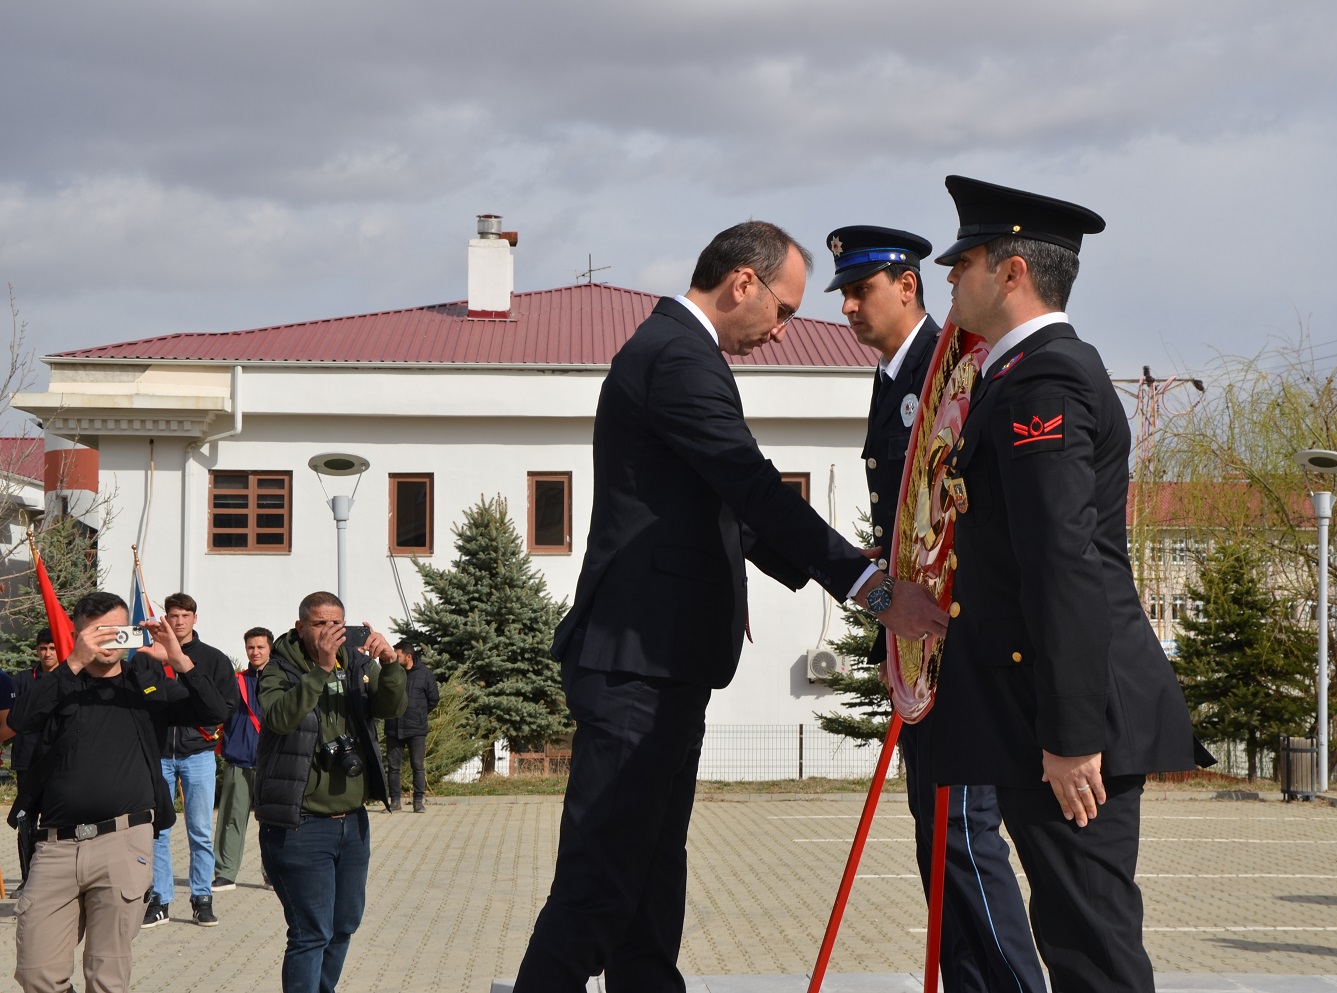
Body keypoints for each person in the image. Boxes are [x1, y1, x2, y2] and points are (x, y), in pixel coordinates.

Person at [513, 219, 950, 993]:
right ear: (741, 282)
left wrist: (859, 567)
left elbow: (732, 510)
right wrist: (871, 589)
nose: (783, 331)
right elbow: (748, 483)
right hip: (634, 666)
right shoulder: (678, 357)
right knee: (599, 883)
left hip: (661, 663)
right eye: (783, 310)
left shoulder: (678, 354)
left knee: (651, 883)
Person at [931, 176, 1208, 993]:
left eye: (965, 261)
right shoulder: (1018, 375)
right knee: (1073, 931)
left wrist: (1071, 733)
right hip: (1042, 704)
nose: (950, 277)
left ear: (1011, 271)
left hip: (1065, 718)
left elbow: (1062, 562)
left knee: (1092, 948)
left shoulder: (1042, 382)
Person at [826, 224, 1045, 993]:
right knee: (936, 841)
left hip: (958, 645)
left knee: (962, 834)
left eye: (862, 290)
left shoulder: (952, 366)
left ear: (908, 285)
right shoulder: (893, 377)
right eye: (844, 294)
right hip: (916, 648)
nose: (849, 307)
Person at [9, 591, 227, 993]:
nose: (108, 641)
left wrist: (179, 660)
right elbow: (20, 719)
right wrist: (72, 662)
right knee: (36, 971)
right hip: (56, 846)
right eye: (97, 631)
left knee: (107, 978)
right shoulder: (61, 684)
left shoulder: (147, 685)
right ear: (78, 633)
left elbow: (215, 711)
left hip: (124, 842)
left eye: (117, 630)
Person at [256, 591, 406, 993]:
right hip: (300, 826)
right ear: (300, 626)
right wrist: (321, 669)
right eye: (319, 624)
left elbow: (390, 709)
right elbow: (280, 718)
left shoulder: (357, 662)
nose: (329, 631)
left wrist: (390, 665)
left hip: (352, 824)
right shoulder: (278, 668)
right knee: (311, 931)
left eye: (335, 623)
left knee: (344, 925)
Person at [145, 592, 236, 928]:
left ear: (195, 619)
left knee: (199, 830)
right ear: (166, 619)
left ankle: (201, 897)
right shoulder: (150, 657)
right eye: (173, 615)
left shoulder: (212, 659)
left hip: (198, 754)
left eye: (185, 615)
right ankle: (160, 899)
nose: (179, 620)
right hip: (158, 756)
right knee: (158, 831)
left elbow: (227, 704)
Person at [211, 626, 271, 891]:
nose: (255, 652)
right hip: (240, 760)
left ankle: (273, 874)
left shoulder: (281, 680)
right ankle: (225, 872)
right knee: (231, 819)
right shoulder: (235, 682)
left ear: (270, 649)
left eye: (260, 647)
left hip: (272, 762)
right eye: (251, 647)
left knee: (272, 822)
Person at [8, 628, 62, 895]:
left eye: (52, 648)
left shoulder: (69, 678)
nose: (48, 653)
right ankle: (27, 878)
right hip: (27, 761)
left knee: (56, 822)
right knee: (25, 821)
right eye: (43, 648)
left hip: (58, 763)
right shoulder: (21, 680)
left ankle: (54, 879)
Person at [384, 640, 439, 813]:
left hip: (416, 728)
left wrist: (419, 713)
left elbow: (433, 699)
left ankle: (418, 802)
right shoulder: (393, 671)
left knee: (417, 765)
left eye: (397, 655)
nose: (394, 657)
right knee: (393, 767)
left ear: (408, 656)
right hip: (394, 726)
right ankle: (395, 802)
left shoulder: (425, 674)